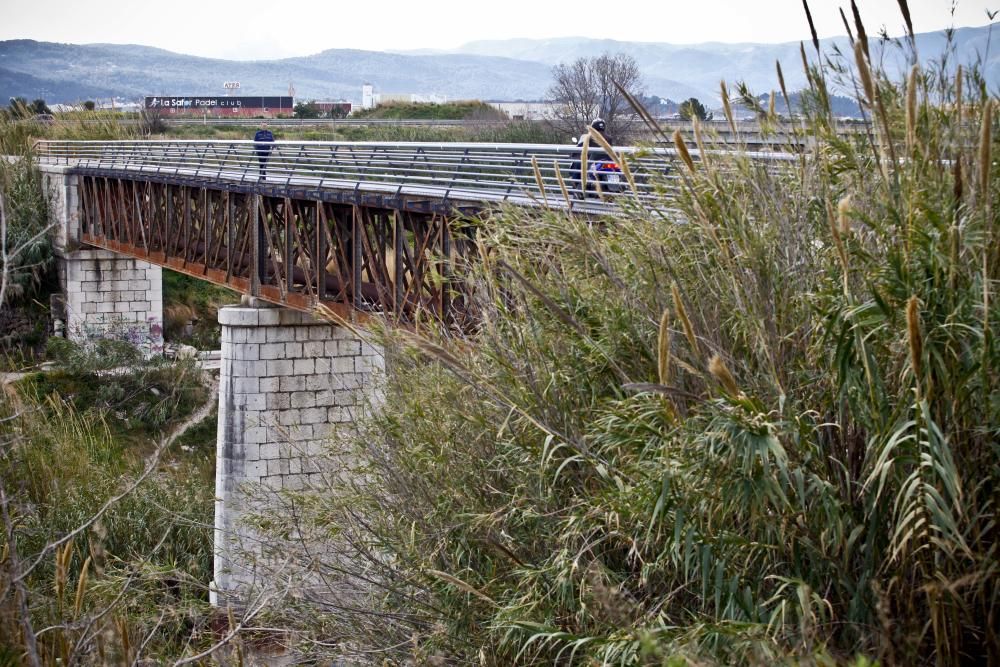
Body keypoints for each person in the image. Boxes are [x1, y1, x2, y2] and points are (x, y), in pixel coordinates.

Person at [569, 118, 613, 197]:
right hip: (607, 162)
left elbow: (579, 148)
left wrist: (574, 153)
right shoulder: (609, 138)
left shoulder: (589, 137)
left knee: (577, 164)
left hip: (593, 163)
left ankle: (577, 188)